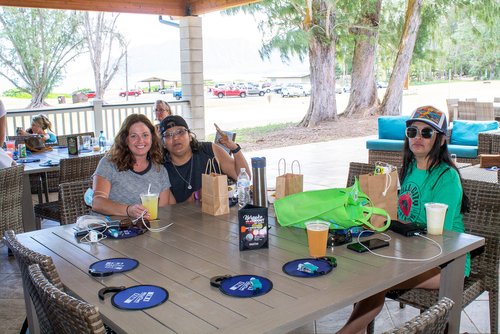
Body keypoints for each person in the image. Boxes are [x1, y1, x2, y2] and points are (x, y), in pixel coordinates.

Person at [337, 106, 469, 334]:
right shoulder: (406, 170)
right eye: (412, 132)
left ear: (441, 140)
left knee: (376, 282)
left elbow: (441, 241)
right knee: (365, 274)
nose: (418, 137)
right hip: (410, 252)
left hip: (447, 263)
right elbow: (398, 216)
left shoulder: (446, 177)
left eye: (427, 133)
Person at [92, 114, 174, 220]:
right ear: (125, 140)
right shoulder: (109, 163)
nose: (140, 140)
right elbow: (97, 202)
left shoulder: (160, 170)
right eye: (133, 136)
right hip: (109, 230)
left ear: (152, 138)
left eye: (145, 135)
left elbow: (163, 210)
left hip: (145, 230)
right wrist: (128, 210)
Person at [160, 115, 250, 203]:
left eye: (180, 132)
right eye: (168, 135)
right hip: (185, 217)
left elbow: (245, 178)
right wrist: (196, 196)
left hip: (219, 215)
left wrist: (234, 148)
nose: (175, 138)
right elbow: (171, 211)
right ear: (163, 143)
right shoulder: (160, 168)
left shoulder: (209, 150)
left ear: (190, 136)